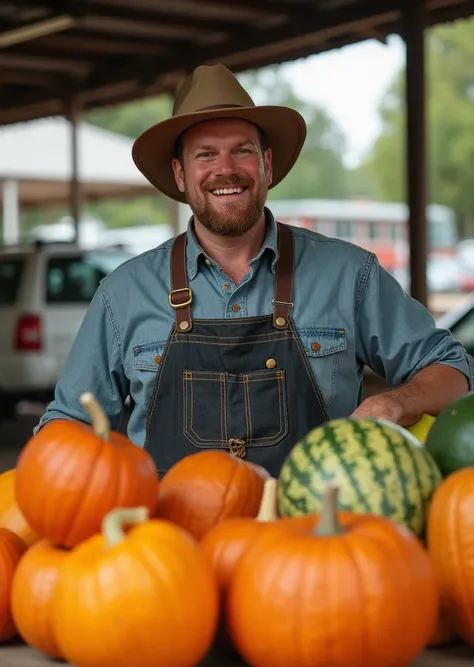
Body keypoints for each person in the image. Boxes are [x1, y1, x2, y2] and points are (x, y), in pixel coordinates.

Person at [34, 63, 473, 478]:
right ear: (180, 174)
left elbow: (453, 371)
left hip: (314, 543)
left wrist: (395, 404)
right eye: (205, 155)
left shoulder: (348, 275)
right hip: (171, 550)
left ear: (265, 164)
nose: (225, 169)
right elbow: (68, 425)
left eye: (241, 151)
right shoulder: (124, 295)